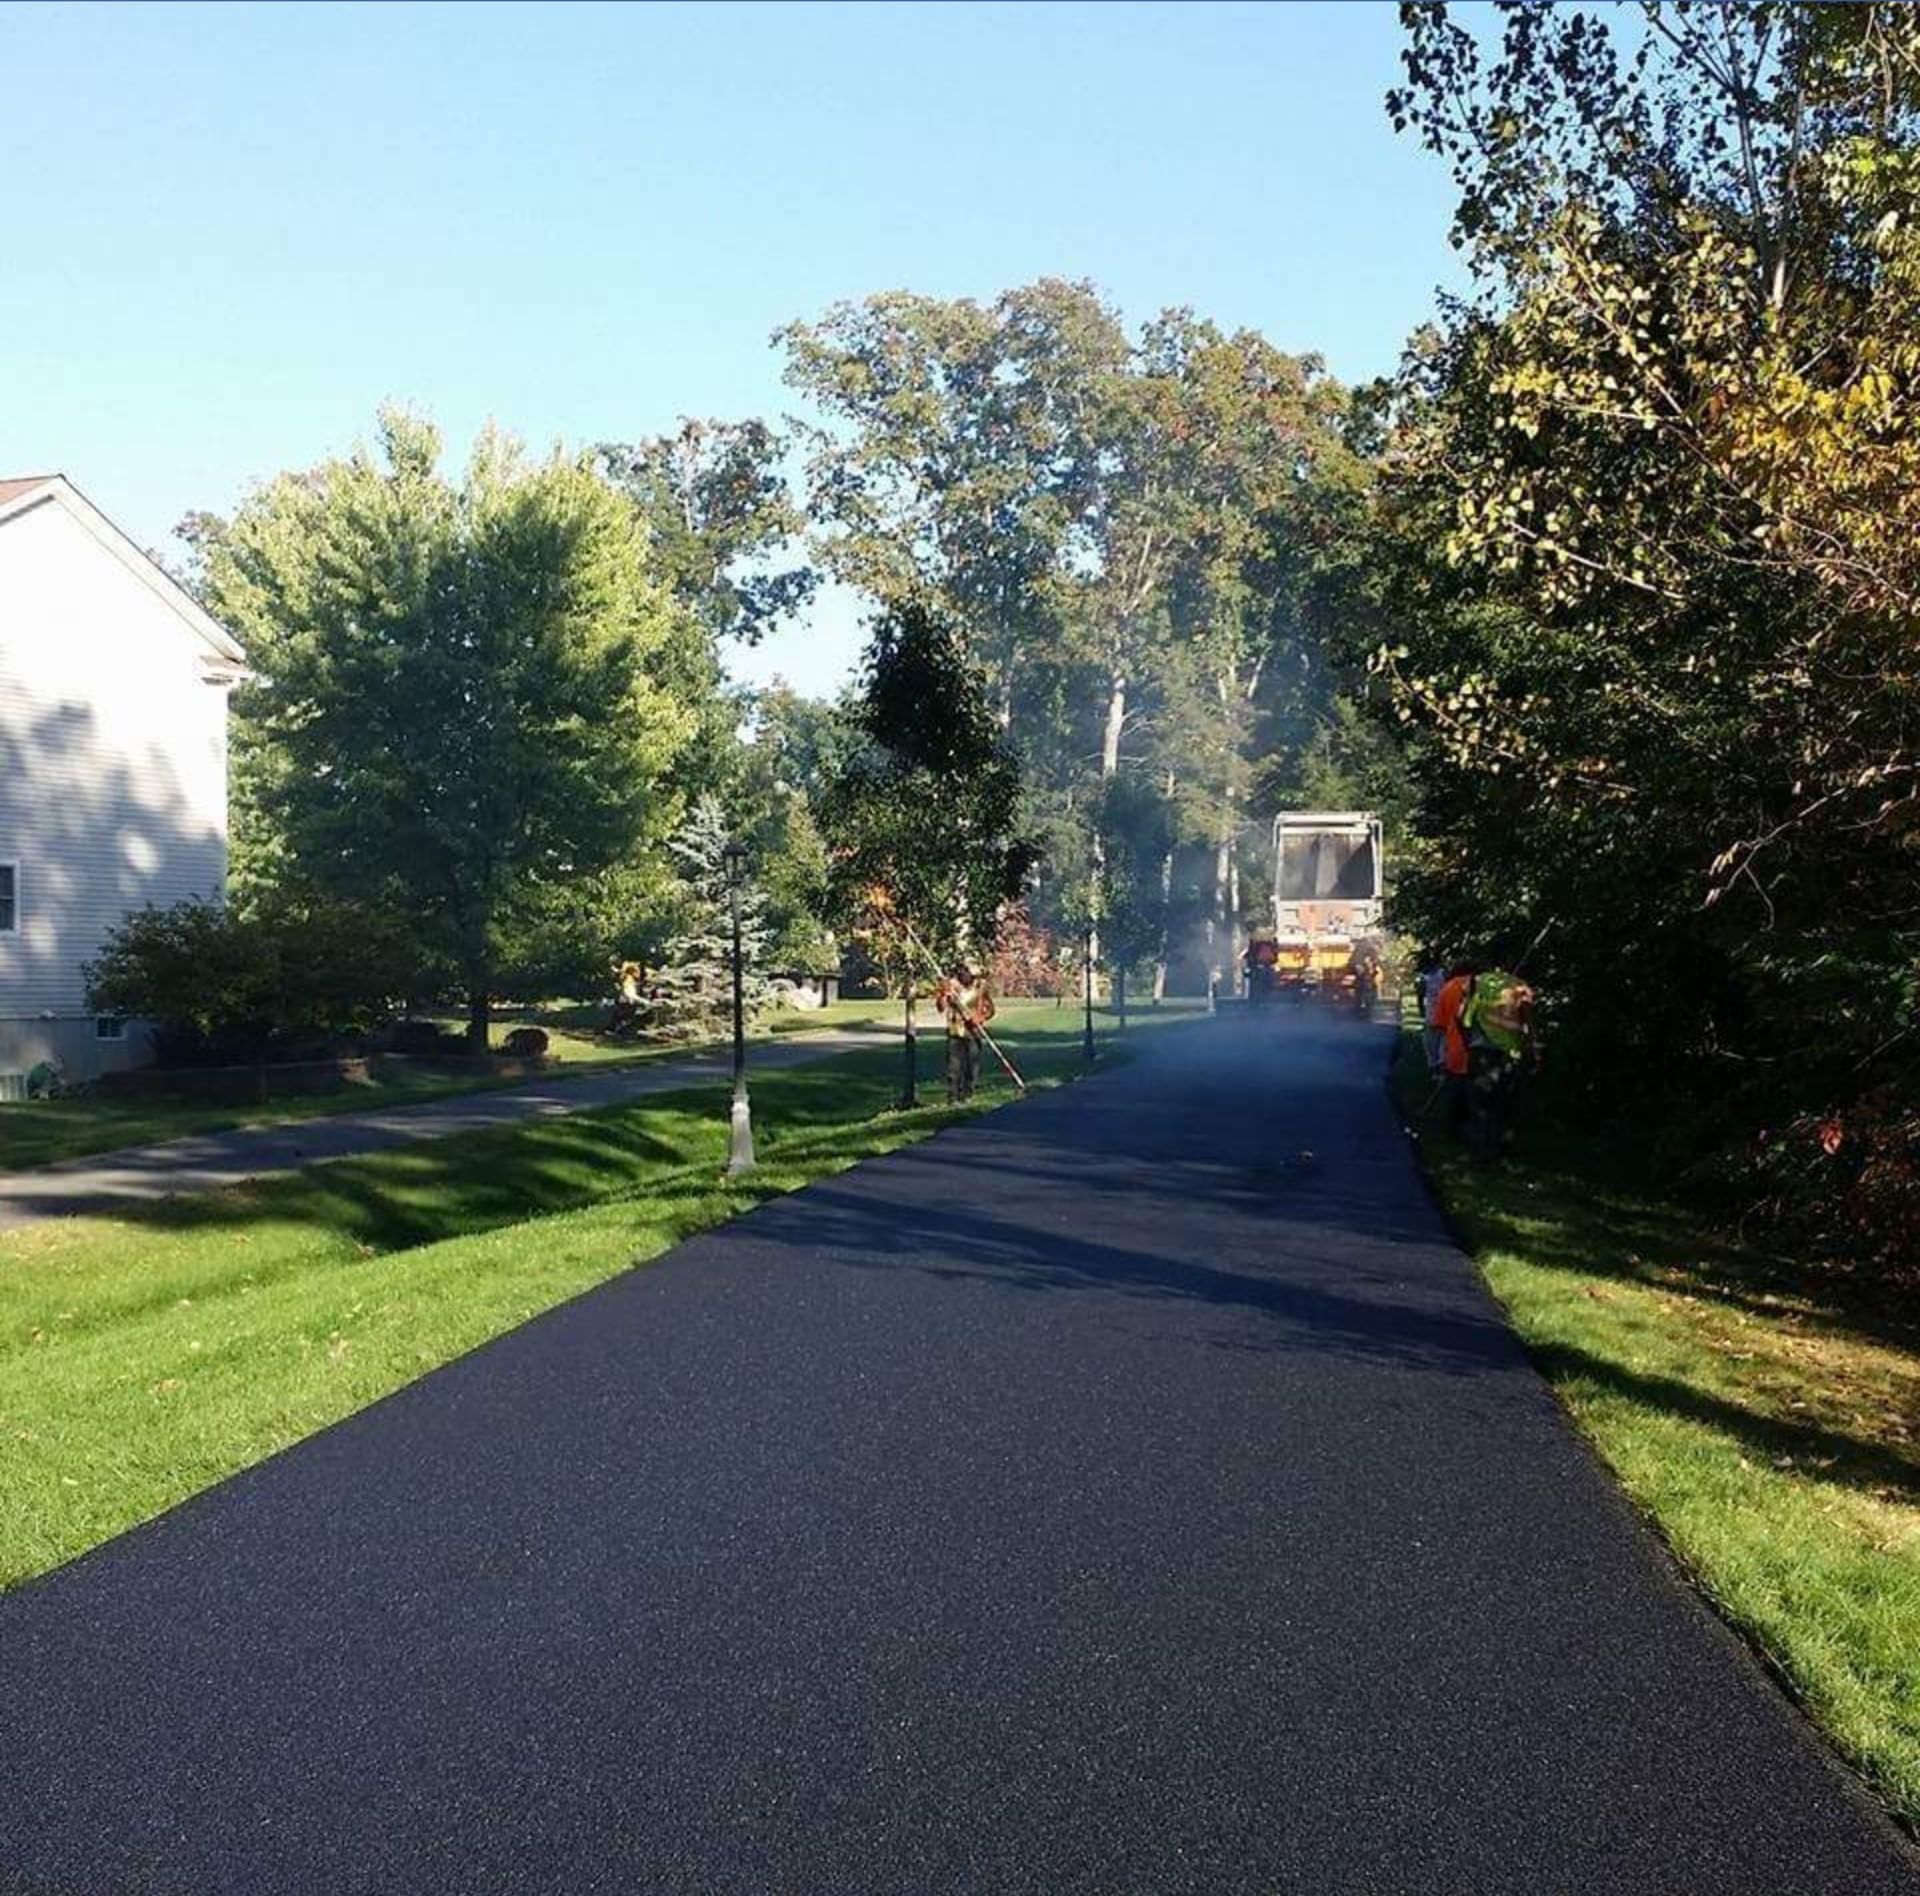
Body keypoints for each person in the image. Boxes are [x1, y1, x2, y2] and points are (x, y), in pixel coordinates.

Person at [1462, 965, 1537, 1163]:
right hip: (1508, 1054)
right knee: (1503, 1104)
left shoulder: (1476, 982)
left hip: (1480, 1051)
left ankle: (1478, 1152)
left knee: (1479, 1104)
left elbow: (1463, 1018)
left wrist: (1467, 1042)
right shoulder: (1520, 987)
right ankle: (1501, 1152)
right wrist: (1531, 1049)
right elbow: (1528, 1023)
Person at [1429, 960, 1478, 1135]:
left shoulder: (1448, 989)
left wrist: (1436, 1056)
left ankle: (1453, 1130)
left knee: (1455, 1093)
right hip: (1480, 1051)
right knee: (1477, 1095)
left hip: (1456, 1050)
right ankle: (1474, 1131)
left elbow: (1438, 1025)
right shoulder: (1484, 989)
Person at [934, 963, 995, 1103]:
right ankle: (953, 1098)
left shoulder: (980, 988)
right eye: (964, 975)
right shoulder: (951, 987)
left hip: (973, 1032)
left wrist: (981, 1018)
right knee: (954, 1068)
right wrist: (943, 995)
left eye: (971, 976)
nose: (969, 979)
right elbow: (940, 1008)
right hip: (955, 1031)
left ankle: (967, 1095)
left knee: (972, 1067)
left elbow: (991, 1010)